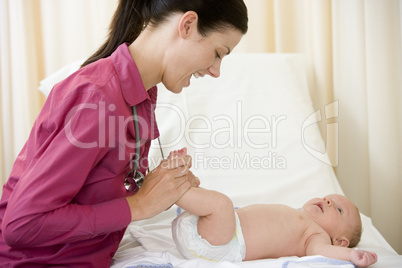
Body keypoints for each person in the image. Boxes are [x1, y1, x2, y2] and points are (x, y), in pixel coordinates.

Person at [0, 1, 248, 267]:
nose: (216, 71)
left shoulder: (141, 95)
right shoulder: (98, 99)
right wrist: (140, 205)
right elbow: (23, 225)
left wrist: (159, 187)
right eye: (218, 53)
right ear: (187, 25)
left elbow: (94, 187)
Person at [170, 149, 378, 267]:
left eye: (339, 210)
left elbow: (321, 252)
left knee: (221, 204)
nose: (328, 201)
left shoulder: (316, 236)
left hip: (223, 243)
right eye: (327, 198)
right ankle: (182, 184)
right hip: (212, 227)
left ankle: (172, 188)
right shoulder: (297, 215)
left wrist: (351, 256)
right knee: (215, 202)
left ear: (340, 242)